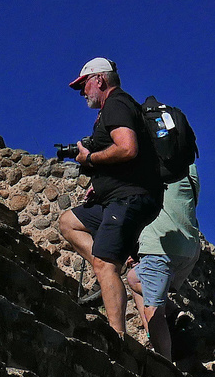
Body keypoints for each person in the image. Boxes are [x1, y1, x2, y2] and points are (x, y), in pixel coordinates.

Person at [58, 58, 163, 337]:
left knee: (106, 264)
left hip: (128, 199)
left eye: (84, 85)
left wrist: (90, 157)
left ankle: (117, 337)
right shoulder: (118, 107)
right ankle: (104, 263)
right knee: (68, 221)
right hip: (118, 197)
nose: (82, 92)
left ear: (100, 80)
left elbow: (127, 148)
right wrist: (100, 181)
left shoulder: (116, 104)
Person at [125, 162, 201, 360]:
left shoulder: (153, 165)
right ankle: (174, 312)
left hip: (161, 244)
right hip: (189, 247)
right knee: (134, 278)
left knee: (153, 309)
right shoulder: (188, 167)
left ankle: (164, 364)